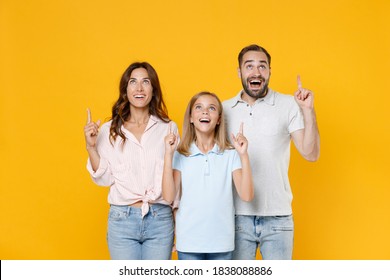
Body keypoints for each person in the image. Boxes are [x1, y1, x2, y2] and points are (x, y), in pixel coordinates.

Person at [223, 44, 320, 260]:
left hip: (278, 218)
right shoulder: (223, 109)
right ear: (239, 72)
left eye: (262, 66)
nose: (256, 72)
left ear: (269, 72)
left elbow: (310, 154)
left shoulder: (288, 105)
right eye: (249, 66)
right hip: (237, 218)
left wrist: (308, 111)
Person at [84, 61, 179, 260]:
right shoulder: (108, 130)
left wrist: (177, 222)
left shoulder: (168, 128)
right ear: (125, 89)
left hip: (160, 219)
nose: (139, 88)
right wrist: (91, 147)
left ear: (153, 89)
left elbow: (176, 178)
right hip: (122, 220)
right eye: (133, 82)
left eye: (145, 82)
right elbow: (104, 178)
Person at [162, 91, 254, 260]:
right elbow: (168, 197)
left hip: (222, 243)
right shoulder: (180, 155)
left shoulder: (231, 154)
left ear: (219, 119)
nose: (205, 112)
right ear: (190, 117)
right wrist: (168, 155)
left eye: (211, 108)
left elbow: (247, 195)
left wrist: (244, 155)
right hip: (189, 242)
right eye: (199, 107)